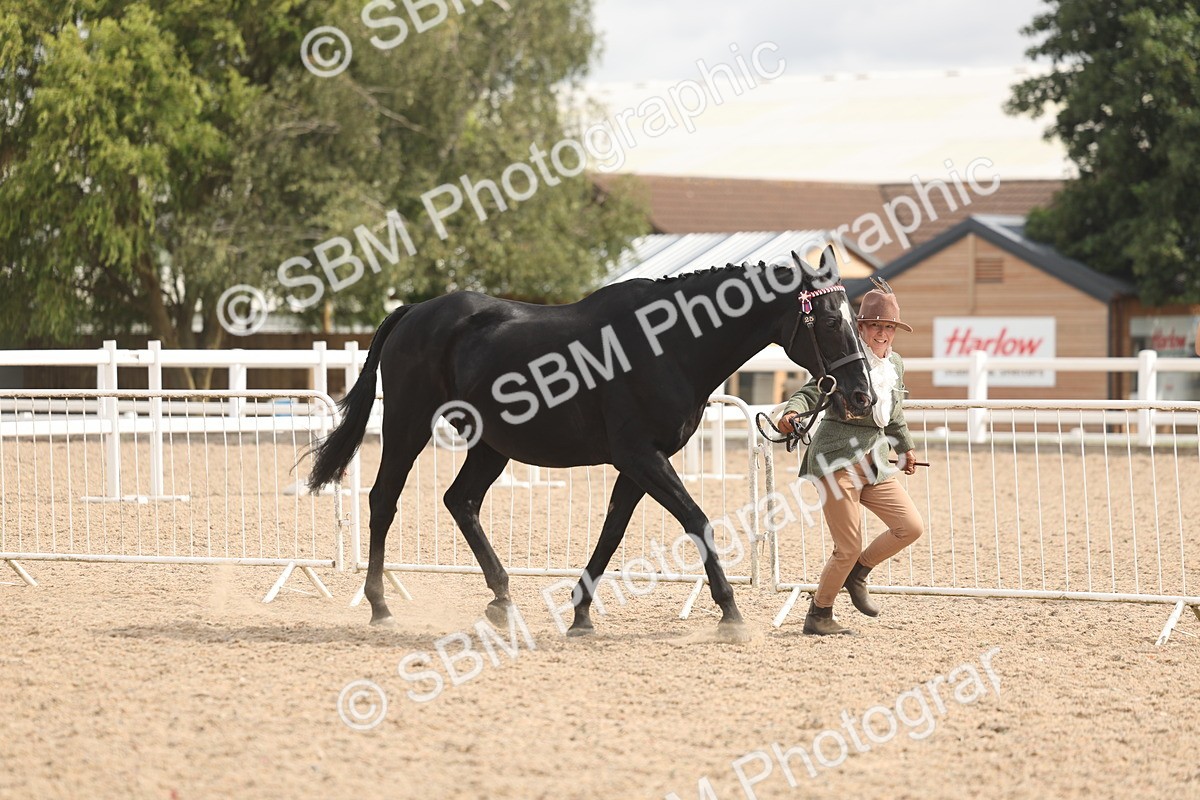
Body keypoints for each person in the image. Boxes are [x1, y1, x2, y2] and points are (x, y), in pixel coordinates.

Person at [778, 278, 924, 635]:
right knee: (847, 545)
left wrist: (906, 447)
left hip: (874, 461)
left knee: (910, 527)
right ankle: (819, 614)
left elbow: (895, 414)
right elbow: (812, 390)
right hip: (835, 460)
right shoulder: (845, 357)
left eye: (889, 327)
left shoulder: (897, 364)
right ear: (862, 326)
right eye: (876, 326)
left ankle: (858, 573)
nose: (883, 333)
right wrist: (791, 412)